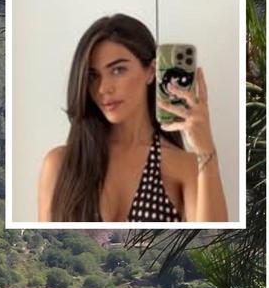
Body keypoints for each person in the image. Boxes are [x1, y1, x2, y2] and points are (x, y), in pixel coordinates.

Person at [37, 14, 228, 222]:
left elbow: (214, 245)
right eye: (93, 75)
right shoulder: (60, 165)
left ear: (151, 71)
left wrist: (206, 148)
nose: (103, 88)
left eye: (118, 70)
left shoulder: (185, 167)